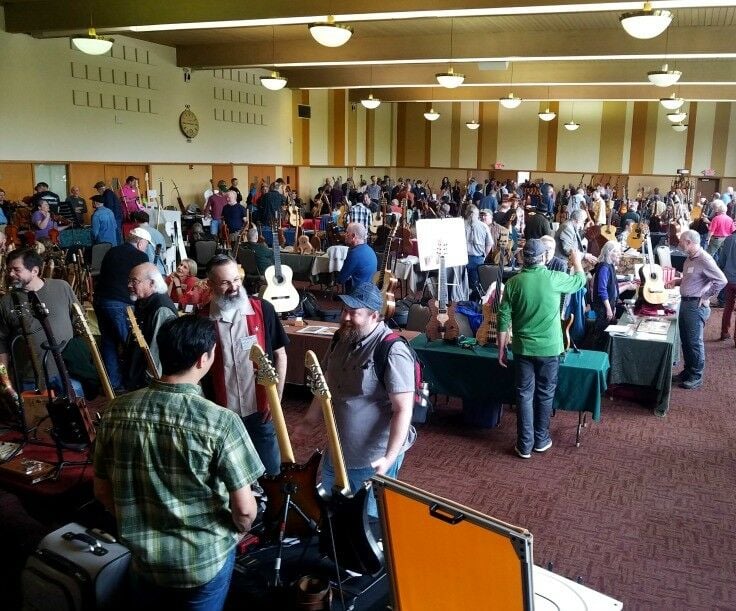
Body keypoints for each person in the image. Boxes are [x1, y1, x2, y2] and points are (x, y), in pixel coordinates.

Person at [93, 315, 263, 611]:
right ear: (204, 358)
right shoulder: (221, 423)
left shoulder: (115, 411)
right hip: (203, 561)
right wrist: (238, 531)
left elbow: (102, 491)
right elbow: (246, 510)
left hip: (144, 561)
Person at [292, 283, 416, 518]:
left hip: (373, 458)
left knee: (365, 525)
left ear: (374, 315)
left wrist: (388, 460)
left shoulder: (392, 350)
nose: (346, 317)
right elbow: (326, 381)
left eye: (354, 312)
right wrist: (309, 421)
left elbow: (403, 410)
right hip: (337, 451)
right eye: (344, 309)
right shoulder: (341, 337)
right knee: (328, 514)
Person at [497, 239, 587, 458]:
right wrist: (577, 261)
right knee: (545, 395)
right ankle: (542, 440)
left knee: (524, 395)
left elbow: (503, 317)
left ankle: (524, 445)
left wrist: (501, 349)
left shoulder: (513, 283)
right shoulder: (554, 279)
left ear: (522, 258)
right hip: (550, 349)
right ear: (544, 258)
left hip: (522, 349)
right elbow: (580, 280)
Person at [202, 254, 288, 476]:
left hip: (261, 411)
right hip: (222, 414)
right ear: (210, 284)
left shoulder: (263, 310)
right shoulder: (202, 319)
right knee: (229, 475)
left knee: (272, 473)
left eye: (236, 280)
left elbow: (281, 355)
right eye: (225, 282)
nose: (234, 287)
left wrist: (276, 399)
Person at [0, 248, 82, 394]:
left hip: (68, 370)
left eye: (16, 270)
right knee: (37, 416)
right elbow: (1, 344)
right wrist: (6, 382)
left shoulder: (61, 287)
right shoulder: (6, 302)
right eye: (9, 270)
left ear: (35, 271)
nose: (10, 274)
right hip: (29, 377)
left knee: (76, 413)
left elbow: (80, 322)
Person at [93, 228, 151, 391]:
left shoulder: (112, 251)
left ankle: (113, 385)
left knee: (109, 343)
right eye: (146, 245)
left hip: (100, 301)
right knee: (131, 345)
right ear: (140, 242)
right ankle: (135, 385)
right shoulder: (141, 256)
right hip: (120, 303)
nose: (146, 248)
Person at [670, 230, 727, 389]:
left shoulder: (704, 259)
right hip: (687, 303)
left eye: (681, 241)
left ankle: (696, 375)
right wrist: (677, 282)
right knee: (687, 341)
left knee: (694, 342)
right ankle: (688, 371)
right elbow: (691, 278)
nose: (679, 243)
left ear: (689, 242)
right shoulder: (690, 258)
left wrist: (706, 296)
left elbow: (721, 280)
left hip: (695, 306)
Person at [126, 263, 178, 390]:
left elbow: (156, 353)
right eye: (129, 281)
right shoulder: (143, 302)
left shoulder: (161, 308)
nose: (129, 285)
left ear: (152, 283)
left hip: (151, 382)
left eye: (134, 281)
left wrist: (150, 384)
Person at [589, 242, 637, 350]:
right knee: (601, 332)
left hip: (609, 305)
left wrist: (613, 306)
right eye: (617, 252)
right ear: (610, 253)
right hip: (602, 306)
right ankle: (596, 354)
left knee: (606, 332)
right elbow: (602, 291)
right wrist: (609, 309)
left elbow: (612, 288)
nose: (620, 254)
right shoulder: (604, 268)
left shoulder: (610, 266)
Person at [338, 222, 377, 294]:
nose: (345, 235)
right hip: (370, 293)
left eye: (347, 233)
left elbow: (341, 279)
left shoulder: (354, 253)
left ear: (353, 236)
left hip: (358, 295)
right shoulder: (369, 249)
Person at [465, 204, 494, 298]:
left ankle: (462, 303)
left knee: (462, 284)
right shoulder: (484, 226)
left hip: (463, 259)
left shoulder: (461, 225)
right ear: (477, 215)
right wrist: (484, 256)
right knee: (475, 286)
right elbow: (489, 244)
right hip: (477, 259)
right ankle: (473, 306)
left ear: (467, 213)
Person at [718, 227, 736, 342]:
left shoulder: (729, 239)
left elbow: (721, 260)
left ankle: (724, 332)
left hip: (729, 278)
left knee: (728, 306)